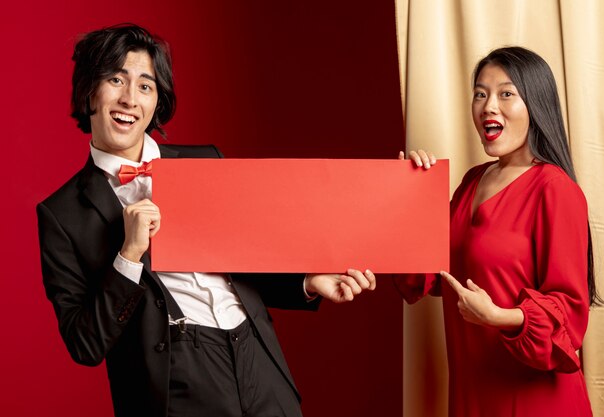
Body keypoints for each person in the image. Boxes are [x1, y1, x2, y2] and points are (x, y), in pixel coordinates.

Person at [37, 23, 379, 417]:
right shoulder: (62, 214)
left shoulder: (205, 160)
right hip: (176, 380)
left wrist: (307, 283)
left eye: (145, 86)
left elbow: (247, 259)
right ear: (88, 91)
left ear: (156, 101)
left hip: (258, 358)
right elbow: (85, 344)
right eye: (116, 79)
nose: (130, 98)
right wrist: (128, 255)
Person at [395, 46, 598, 416]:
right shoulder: (472, 182)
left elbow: (568, 316)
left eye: (506, 93)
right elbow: (425, 275)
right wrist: (410, 195)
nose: (489, 105)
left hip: (536, 400)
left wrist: (499, 316)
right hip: (474, 394)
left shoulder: (555, 189)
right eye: (480, 93)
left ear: (536, 104)